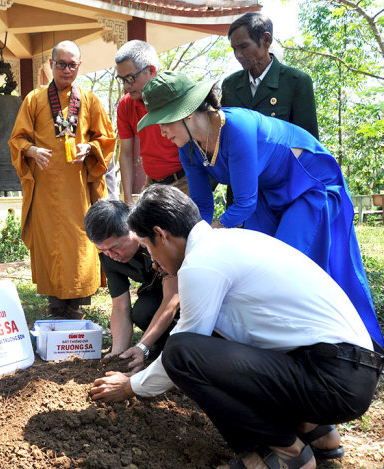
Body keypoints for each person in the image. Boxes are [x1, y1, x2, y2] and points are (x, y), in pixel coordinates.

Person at [90, 185, 383, 469]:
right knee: (213, 341)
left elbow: (185, 349)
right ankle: (317, 430)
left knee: (182, 352)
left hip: (332, 379)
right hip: (347, 369)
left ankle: (286, 454)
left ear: (160, 235)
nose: (153, 263)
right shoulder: (230, 241)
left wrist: (131, 386)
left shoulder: (200, 264)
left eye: (147, 248)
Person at [135, 70, 382, 345]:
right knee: (254, 265)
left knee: (287, 261)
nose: (161, 132)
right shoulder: (188, 148)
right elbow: (202, 207)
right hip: (268, 193)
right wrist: (191, 243)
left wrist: (203, 240)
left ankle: (333, 342)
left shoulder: (236, 126)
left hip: (309, 185)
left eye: (164, 122)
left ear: (188, 112)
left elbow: (243, 203)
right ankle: (267, 341)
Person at [9, 40, 116, 319]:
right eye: (61, 64)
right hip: (45, 188)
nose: (66, 69)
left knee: (79, 241)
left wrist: (89, 148)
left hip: (79, 187)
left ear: (79, 66)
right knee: (49, 241)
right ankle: (55, 304)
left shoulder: (90, 100)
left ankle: (76, 303)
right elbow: (17, 138)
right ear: (51, 65)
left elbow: (105, 138)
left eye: (72, 64)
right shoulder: (34, 99)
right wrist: (30, 149)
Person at [84, 199, 179, 373]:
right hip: (157, 291)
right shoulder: (108, 256)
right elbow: (120, 306)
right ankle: (164, 346)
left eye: (115, 247)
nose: (111, 255)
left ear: (132, 230)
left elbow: (172, 299)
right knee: (142, 312)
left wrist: (142, 346)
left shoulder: (157, 238)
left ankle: (182, 347)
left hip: (189, 290)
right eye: (103, 250)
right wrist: (118, 354)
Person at [221, 12, 318, 139]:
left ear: (266, 40)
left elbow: (308, 143)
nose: (238, 55)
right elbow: (223, 137)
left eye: (243, 47)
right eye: (234, 49)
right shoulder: (231, 85)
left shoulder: (296, 82)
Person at [114, 40, 184, 204]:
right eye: (122, 79)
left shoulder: (174, 95)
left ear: (151, 70)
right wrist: (128, 199)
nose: (126, 86)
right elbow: (126, 153)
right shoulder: (126, 105)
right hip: (152, 183)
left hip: (184, 181)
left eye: (130, 78)